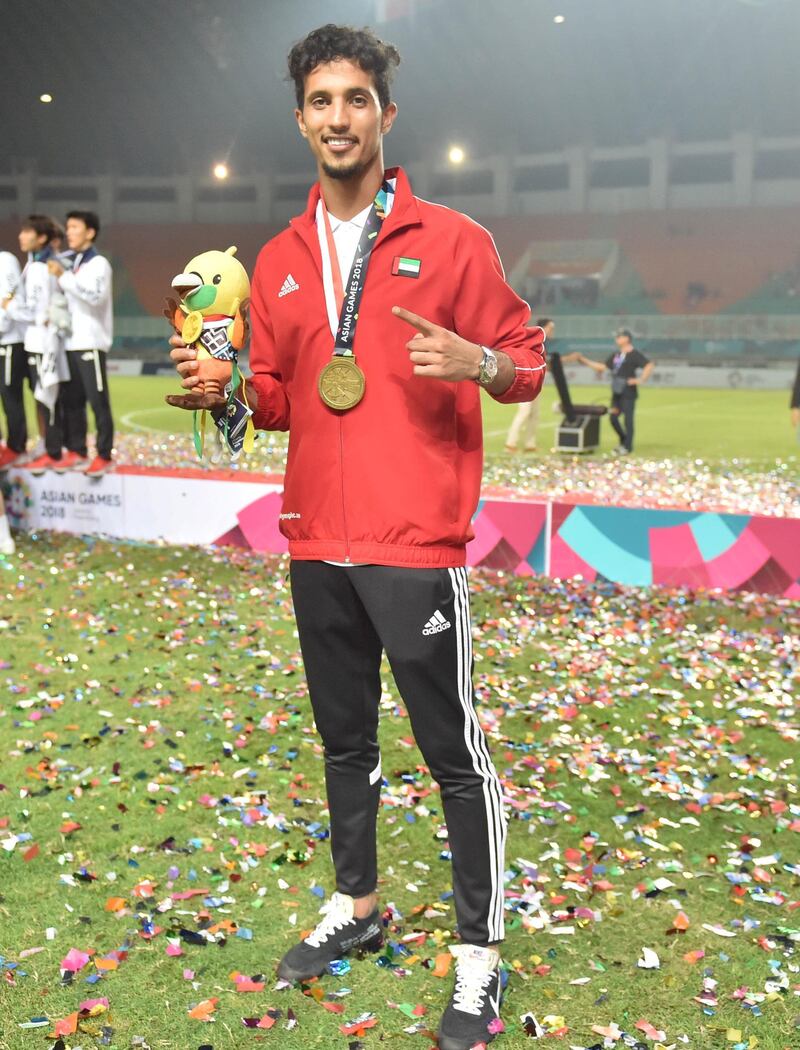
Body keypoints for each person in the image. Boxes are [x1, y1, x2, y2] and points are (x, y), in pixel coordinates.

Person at [166, 24, 546, 1050]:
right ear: (301, 120)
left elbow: (526, 363)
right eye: (320, 102)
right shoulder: (283, 259)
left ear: (384, 113)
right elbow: (287, 394)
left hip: (410, 537)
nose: (338, 117)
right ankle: (359, 904)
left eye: (355, 99)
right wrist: (234, 391)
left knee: (448, 752)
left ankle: (477, 959)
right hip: (313, 540)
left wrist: (475, 360)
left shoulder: (452, 239)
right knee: (344, 742)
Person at [47, 211, 115, 476]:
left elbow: (94, 297)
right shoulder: (73, 264)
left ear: (90, 232)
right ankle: (77, 450)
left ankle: (105, 454)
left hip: (91, 341)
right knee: (72, 401)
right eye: (68, 227)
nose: (69, 232)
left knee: (98, 401)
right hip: (69, 342)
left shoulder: (99, 264)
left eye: (75, 227)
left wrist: (63, 278)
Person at [0, 215, 68, 474]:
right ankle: (46, 446)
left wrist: (10, 307)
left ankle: (53, 450)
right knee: (41, 396)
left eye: (26, 232)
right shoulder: (33, 264)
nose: (20, 236)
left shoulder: (43, 266)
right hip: (33, 341)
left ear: (41, 238)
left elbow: (36, 310)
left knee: (48, 396)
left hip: (43, 341)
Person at [574, 328, 653, 454]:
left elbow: (648, 365)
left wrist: (640, 379)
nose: (617, 339)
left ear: (626, 338)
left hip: (628, 391)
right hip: (617, 391)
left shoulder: (634, 354)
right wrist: (583, 360)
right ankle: (623, 440)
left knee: (628, 420)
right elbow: (602, 367)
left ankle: (627, 447)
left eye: (619, 337)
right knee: (613, 418)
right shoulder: (616, 355)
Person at [504, 317, 553, 452]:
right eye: (550, 328)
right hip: (526, 379)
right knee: (525, 412)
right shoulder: (534, 339)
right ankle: (510, 443)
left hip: (537, 381)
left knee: (535, 414)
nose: (552, 331)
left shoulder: (545, 342)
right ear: (544, 327)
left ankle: (529, 444)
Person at [0, 246, 27, 469]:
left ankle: (16, 446)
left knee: (10, 396)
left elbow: (10, 295)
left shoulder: (6, 259)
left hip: (9, 341)